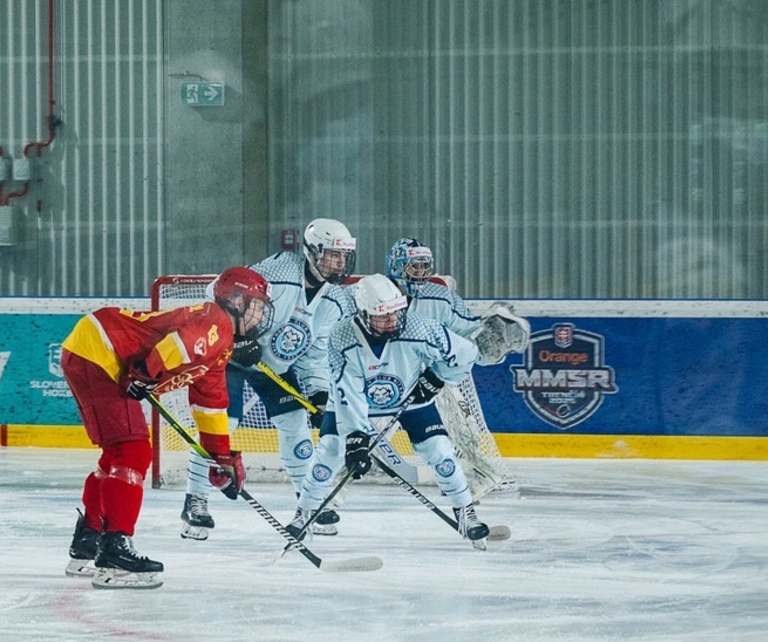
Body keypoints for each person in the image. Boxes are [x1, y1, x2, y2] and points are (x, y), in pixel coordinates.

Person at [61, 266, 274, 589]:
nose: (260, 317)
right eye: (256, 306)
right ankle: (115, 552)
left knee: (115, 456)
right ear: (235, 299)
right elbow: (179, 345)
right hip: (101, 348)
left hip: (92, 344)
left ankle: (88, 541)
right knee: (133, 452)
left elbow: (211, 405)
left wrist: (222, 458)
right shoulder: (215, 320)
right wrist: (146, 373)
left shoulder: (222, 346)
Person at [288, 273, 507, 549]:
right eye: (383, 316)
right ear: (363, 314)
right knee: (329, 453)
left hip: (411, 399)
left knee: (441, 453)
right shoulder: (342, 338)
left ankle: (466, 512)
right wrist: (357, 438)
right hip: (356, 405)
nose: (392, 321)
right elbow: (349, 391)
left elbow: (466, 353)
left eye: (395, 313)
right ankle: (304, 513)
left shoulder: (420, 328)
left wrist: (438, 377)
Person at [180, 218, 357, 540]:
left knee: (296, 422)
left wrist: (317, 392)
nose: (340, 263)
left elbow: (314, 355)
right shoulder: (280, 271)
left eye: (344, 256)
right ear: (312, 251)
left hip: (275, 367)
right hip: (231, 358)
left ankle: (308, 501)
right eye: (333, 255)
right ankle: (196, 500)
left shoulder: (336, 302)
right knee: (220, 426)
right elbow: (219, 289)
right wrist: (234, 339)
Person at [385, 237, 529, 494]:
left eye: (424, 267)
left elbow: (469, 335)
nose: (420, 274)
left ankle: (481, 473)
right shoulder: (377, 294)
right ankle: (334, 476)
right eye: (414, 267)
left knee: (461, 422)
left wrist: (493, 338)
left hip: (433, 377)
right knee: (359, 427)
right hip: (386, 377)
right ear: (397, 266)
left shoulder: (440, 298)